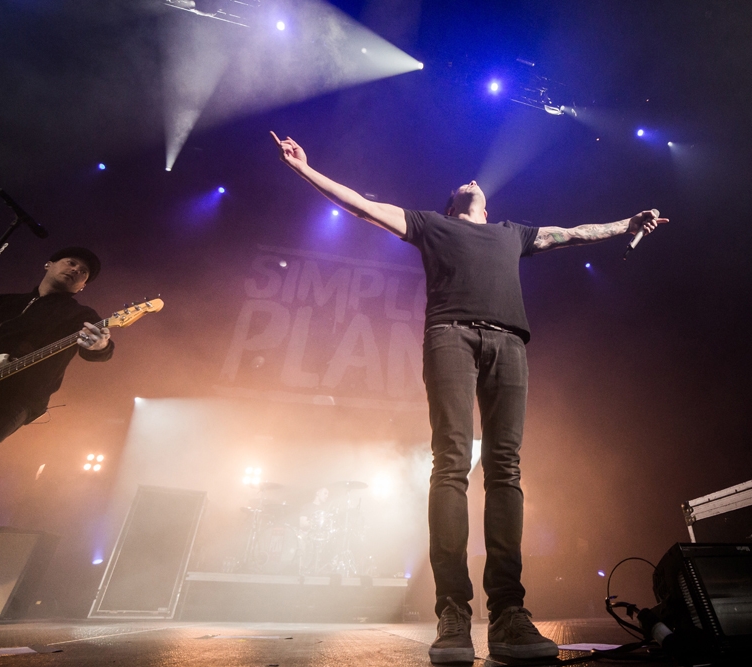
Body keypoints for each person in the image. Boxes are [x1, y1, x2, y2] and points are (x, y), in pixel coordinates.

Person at [271, 131, 667, 662]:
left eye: (478, 183)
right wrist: (304, 168)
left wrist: (626, 224)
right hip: (450, 337)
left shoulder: (511, 232)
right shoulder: (430, 225)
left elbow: (573, 234)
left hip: (510, 344)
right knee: (452, 463)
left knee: (505, 468)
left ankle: (508, 614)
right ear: (453, 204)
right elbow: (362, 205)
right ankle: (453, 613)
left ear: (487, 206)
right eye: (465, 182)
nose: (474, 179)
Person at [0, 247, 113, 474]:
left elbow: (101, 351)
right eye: (71, 263)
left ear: (82, 286)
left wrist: (100, 346)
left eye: (83, 272)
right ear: (48, 264)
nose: (76, 270)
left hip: (15, 400)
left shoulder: (81, 316)